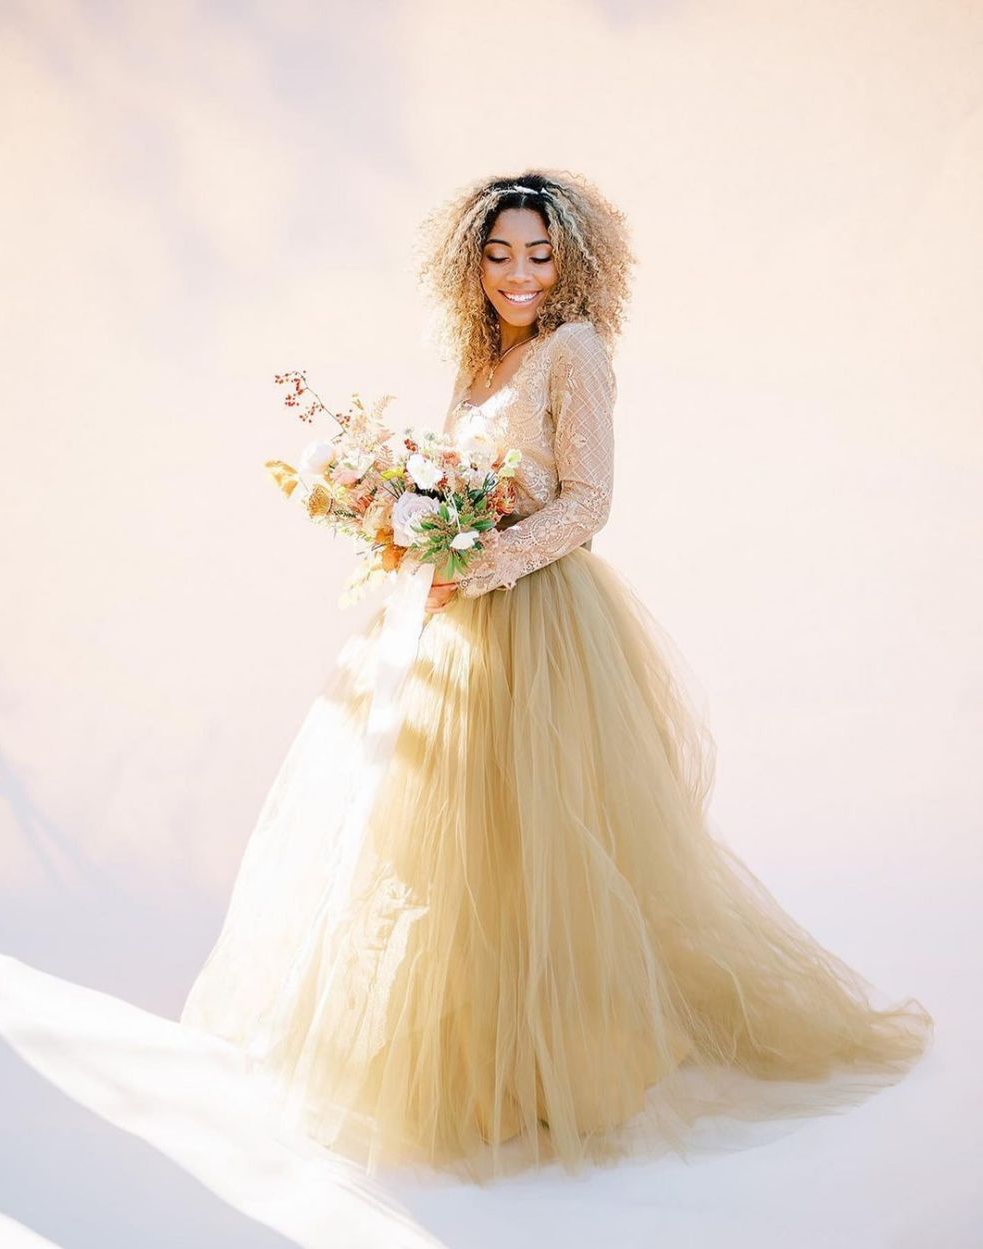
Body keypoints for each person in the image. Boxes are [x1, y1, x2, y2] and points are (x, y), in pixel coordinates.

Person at [181, 170, 933, 1183]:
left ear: (571, 259)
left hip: (536, 619)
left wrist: (475, 564)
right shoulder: (481, 353)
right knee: (451, 840)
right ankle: (480, 1059)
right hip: (454, 622)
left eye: (538, 254)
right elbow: (456, 470)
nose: (519, 274)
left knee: (544, 842)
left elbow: (588, 501)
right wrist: (402, 512)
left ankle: (561, 1064)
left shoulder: (573, 352)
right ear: (471, 263)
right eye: (499, 254)